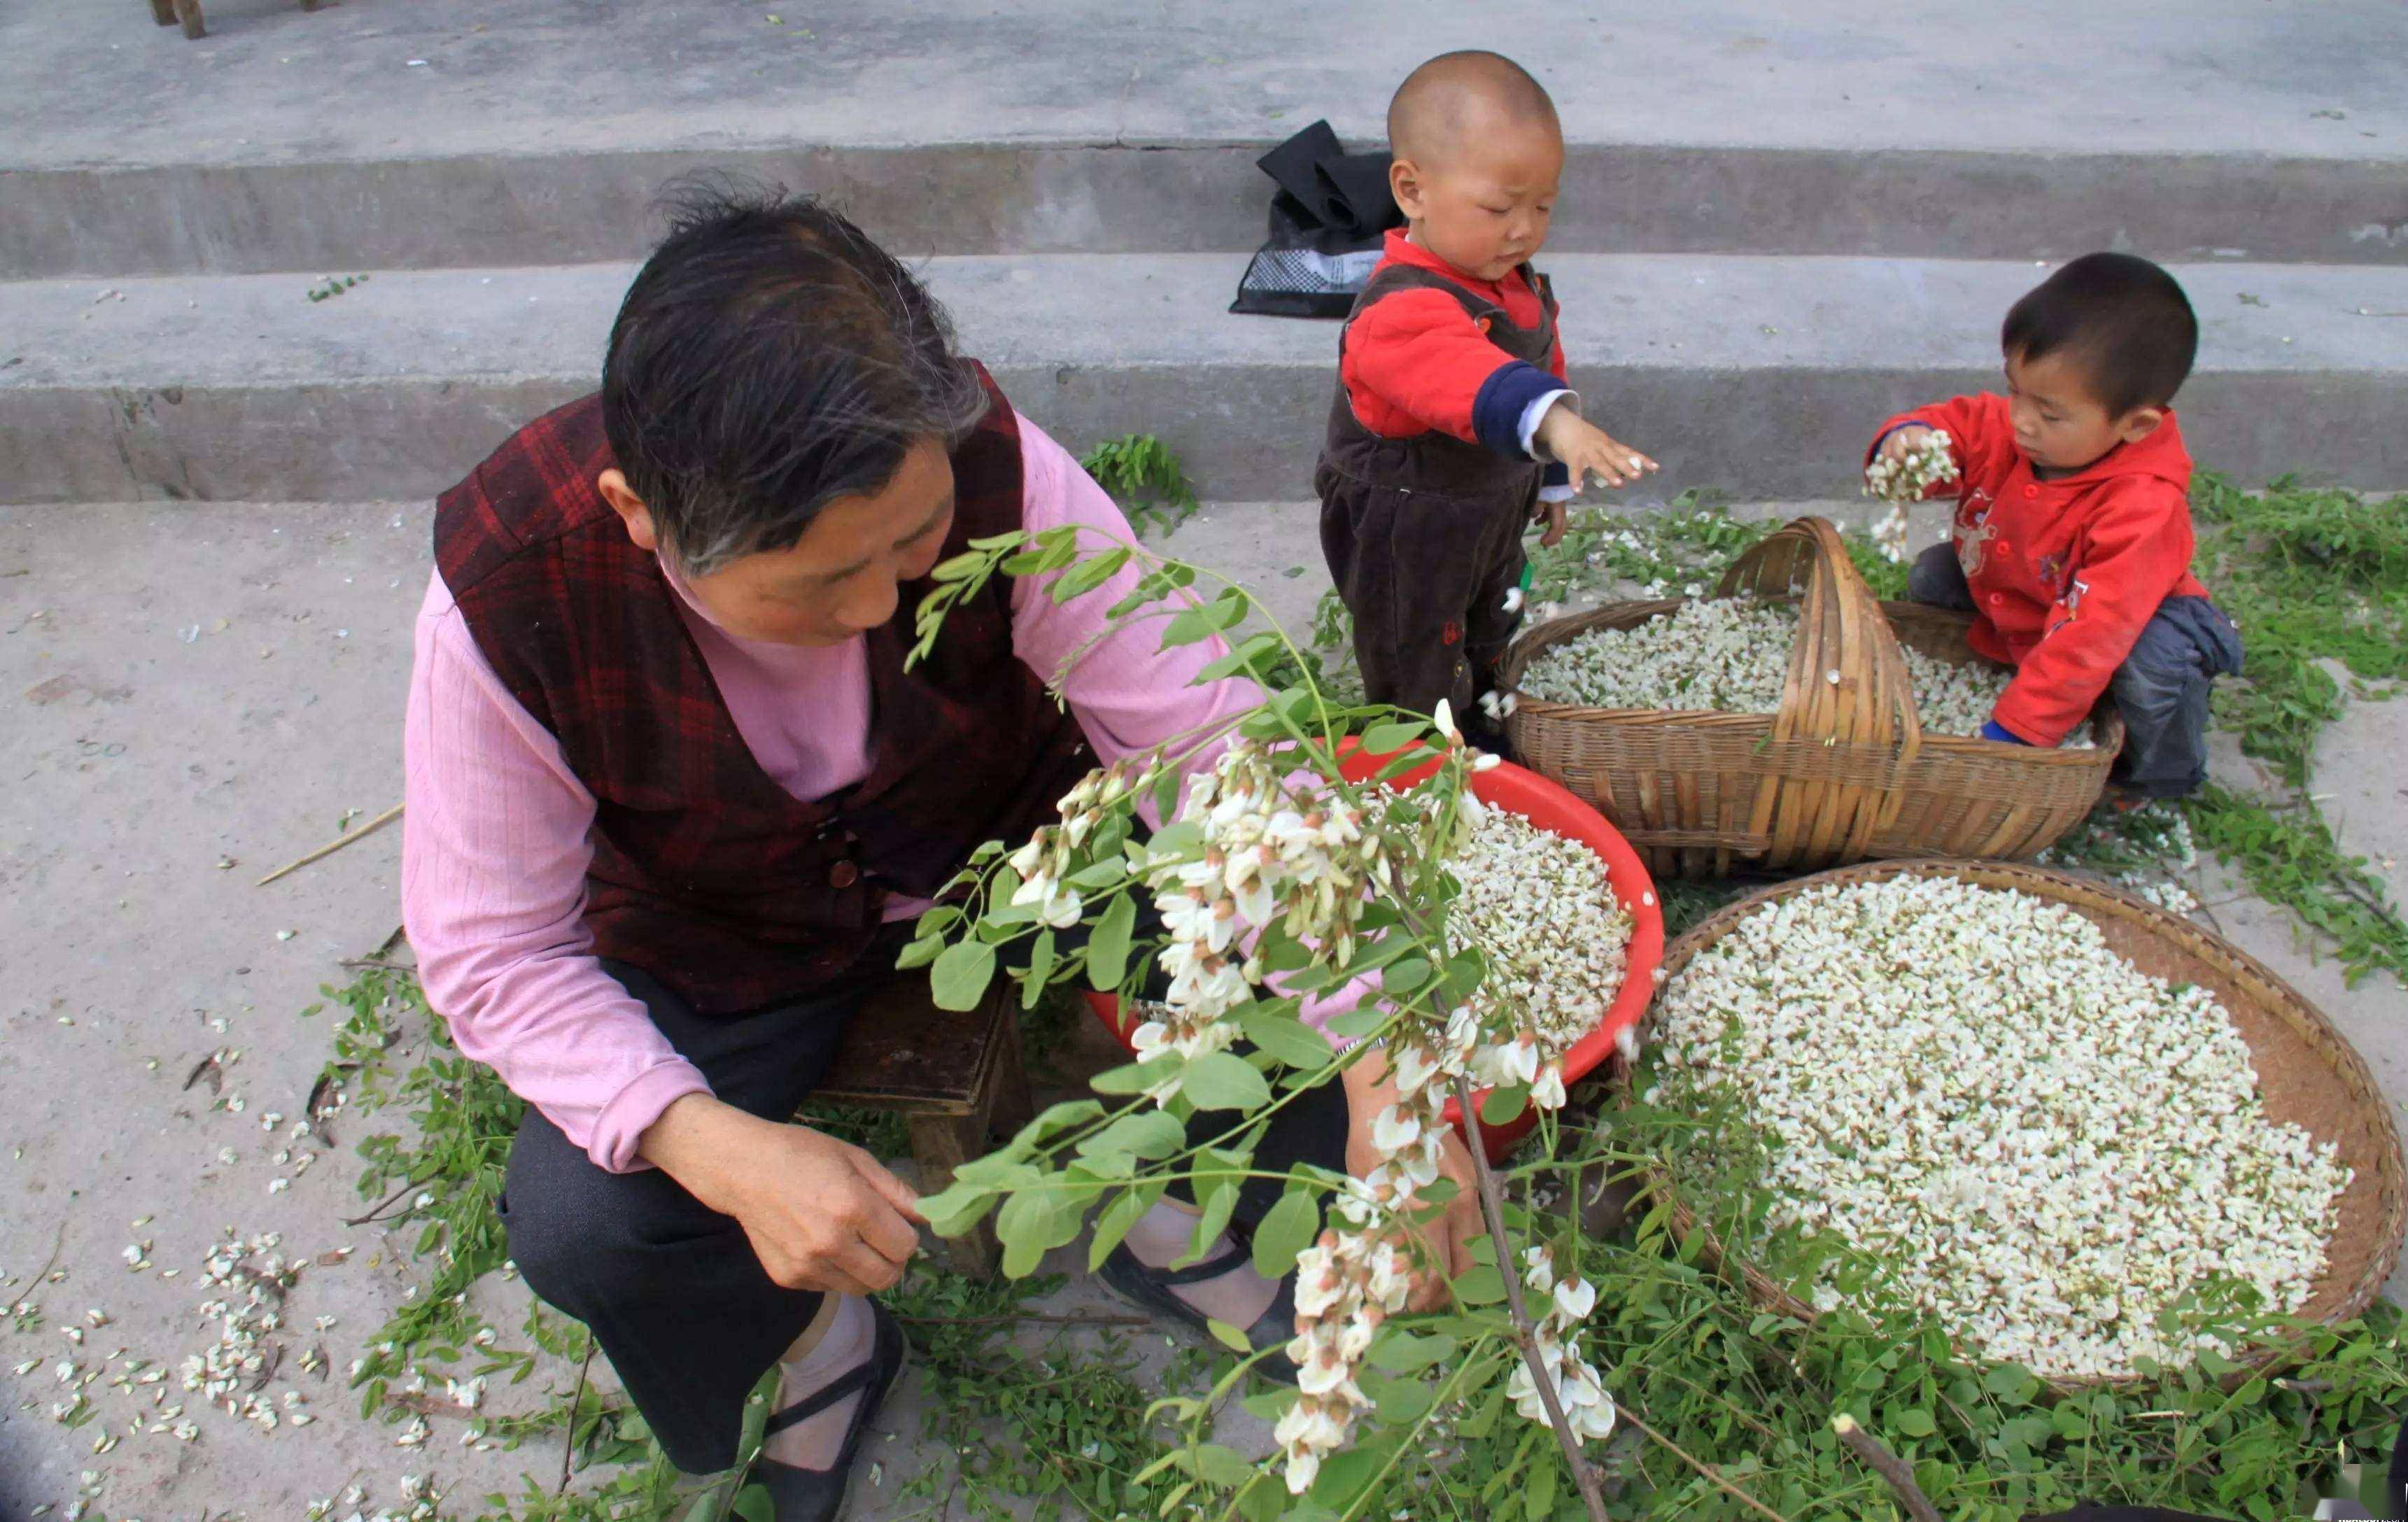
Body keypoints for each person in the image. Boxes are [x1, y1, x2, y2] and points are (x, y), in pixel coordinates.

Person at [400, 181, 1481, 1519]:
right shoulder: (516, 587)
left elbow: (1212, 747)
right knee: (590, 1222)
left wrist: (1385, 1055)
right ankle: (815, 1347)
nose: (879, 609)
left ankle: (1180, 1218)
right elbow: (493, 950)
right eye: (808, 587)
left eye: (913, 547)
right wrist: (716, 1145)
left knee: (1290, 988)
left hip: (1012, 843)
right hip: (716, 930)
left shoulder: (992, 466)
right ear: (638, 516)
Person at [1316, 49, 1657, 742]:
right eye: (1500, 207)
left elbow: (1542, 367)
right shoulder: (1399, 310)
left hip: (1489, 506)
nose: (1524, 229)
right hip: (1407, 526)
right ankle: (1418, 756)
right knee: (1415, 646)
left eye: (1542, 206)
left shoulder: (1512, 281)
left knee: (1490, 611)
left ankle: (1485, 710)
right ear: (1412, 190)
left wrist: (1554, 480)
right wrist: (1560, 430)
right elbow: (1473, 377)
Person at [1868, 253, 2243, 796]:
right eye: (2013, 389)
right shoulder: (2010, 427)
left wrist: (2017, 729)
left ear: (2134, 426)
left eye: (2048, 413)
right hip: (2033, 589)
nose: (2019, 418)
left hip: (2130, 619)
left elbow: (2090, 633)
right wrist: (1905, 444)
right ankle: (2011, 662)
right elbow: (1948, 427)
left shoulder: (2142, 504)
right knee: (1934, 575)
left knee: (2151, 668)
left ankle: (2156, 777)